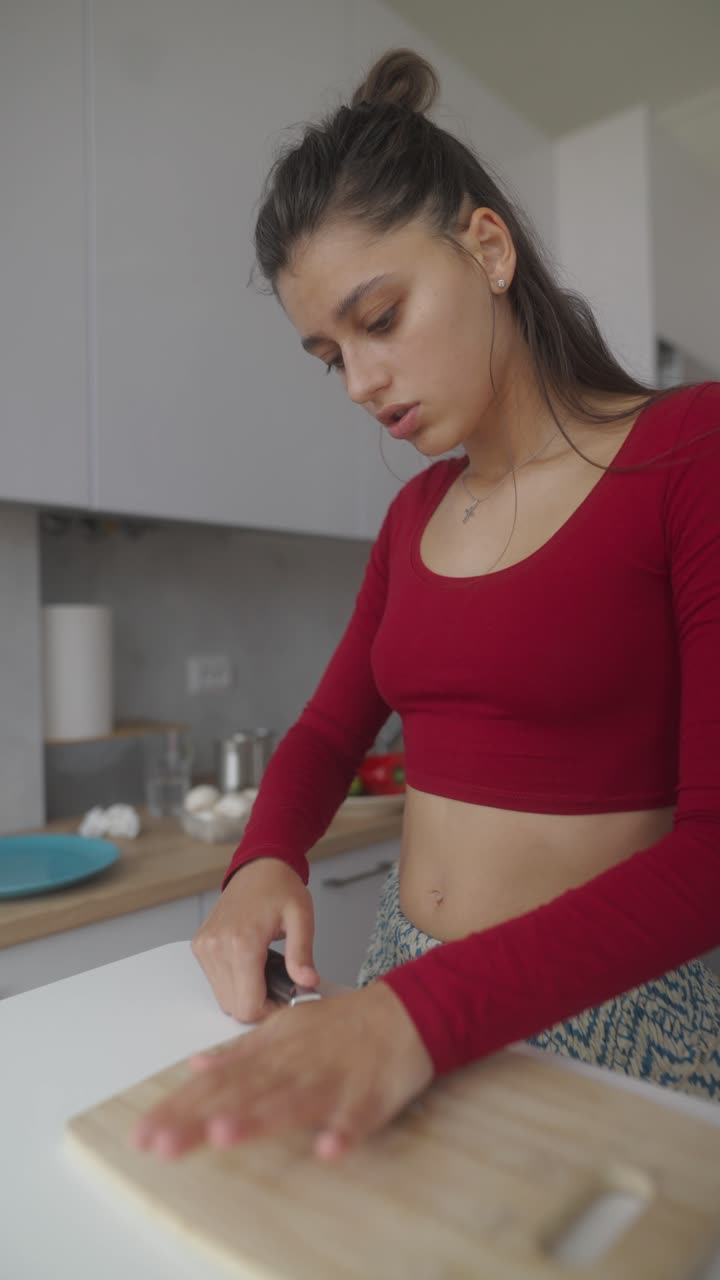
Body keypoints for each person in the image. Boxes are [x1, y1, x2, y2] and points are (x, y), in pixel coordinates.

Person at [131, 48, 720, 1163]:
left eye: (382, 316)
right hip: (403, 986)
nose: (360, 381)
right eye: (328, 355)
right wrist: (263, 857)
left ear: (487, 248)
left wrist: (419, 1013)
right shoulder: (412, 524)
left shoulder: (691, 454)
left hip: (620, 1018)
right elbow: (321, 734)